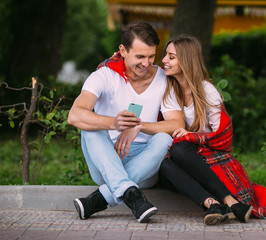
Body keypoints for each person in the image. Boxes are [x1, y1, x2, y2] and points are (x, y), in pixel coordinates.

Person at [67, 21, 184, 223]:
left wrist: (140, 126)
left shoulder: (164, 79)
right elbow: (74, 115)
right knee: (90, 127)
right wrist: (113, 123)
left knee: (164, 138)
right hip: (105, 161)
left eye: (150, 56)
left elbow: (177, 123)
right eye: (139, 57)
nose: (146, 63)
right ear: (123, 50)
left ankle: (105, 197)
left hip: (145, 166)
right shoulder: (105, 75)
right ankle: (128, 193)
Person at [159, 34, 255, 225]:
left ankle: (225, 201)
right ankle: (214, 204)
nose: (164, 60)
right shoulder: (171, 91)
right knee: (164, 165)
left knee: (179, 149)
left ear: (186, 61)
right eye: (166, 55)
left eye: (171, 57)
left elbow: (223, 135)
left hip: (208, 155)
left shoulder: (207, 91)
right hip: (184, 159)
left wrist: (193, 137)